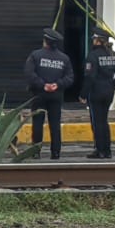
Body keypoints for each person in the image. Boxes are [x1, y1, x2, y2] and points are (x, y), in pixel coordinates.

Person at [24, 28, 75, 161]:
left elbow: (29, 74)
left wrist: (43, 85)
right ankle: (56, 152)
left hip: (39, 95)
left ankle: (36, 151)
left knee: (37, 123)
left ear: (45, 41)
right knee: (55, 124)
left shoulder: (35, 55)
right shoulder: (64, 58)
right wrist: (58, 84)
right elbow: (70, 77)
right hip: (56, 95)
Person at [82, 29, 115, 159]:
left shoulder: (93, 56)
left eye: (94, 39)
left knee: (97, 122)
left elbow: (89, 77)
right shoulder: (113, 56)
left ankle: (100, 150)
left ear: (97, 40)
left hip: (96, 93)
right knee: (104, 121)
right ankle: (107, 150)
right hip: (108, 92)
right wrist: (112, 86)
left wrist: (83, 94)